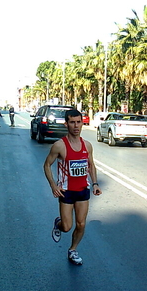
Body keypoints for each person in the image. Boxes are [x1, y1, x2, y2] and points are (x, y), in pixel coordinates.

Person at [44, 108, 102, 266]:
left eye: (78, 122)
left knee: (81, 223)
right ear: (66, 124)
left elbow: (91, 165)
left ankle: (73, 250)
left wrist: (95, 183)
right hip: (66, 192)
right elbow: (47, 165)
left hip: (83, 191)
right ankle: (58, 223)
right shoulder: (59, 146)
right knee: (67, 226)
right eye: (72, 122)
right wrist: (53, 185)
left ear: (82, 123)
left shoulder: (87, 145)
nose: (76, 126)